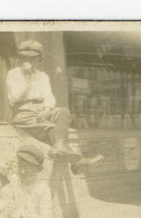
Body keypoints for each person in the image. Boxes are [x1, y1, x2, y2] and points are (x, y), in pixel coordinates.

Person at [7, 40, 102, 174]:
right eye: (24, 57)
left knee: (63, 112)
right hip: (23, 111)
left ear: (39, 59)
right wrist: (27, 77)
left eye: (32, 58)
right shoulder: (14, 74)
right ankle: (76, 162)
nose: (28, 61)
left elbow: (49, 97)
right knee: (55, 131)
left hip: (41, 110)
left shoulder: (42, 76)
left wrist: (47, 110)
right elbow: (15, 96)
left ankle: (59, 148)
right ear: (20, 58)